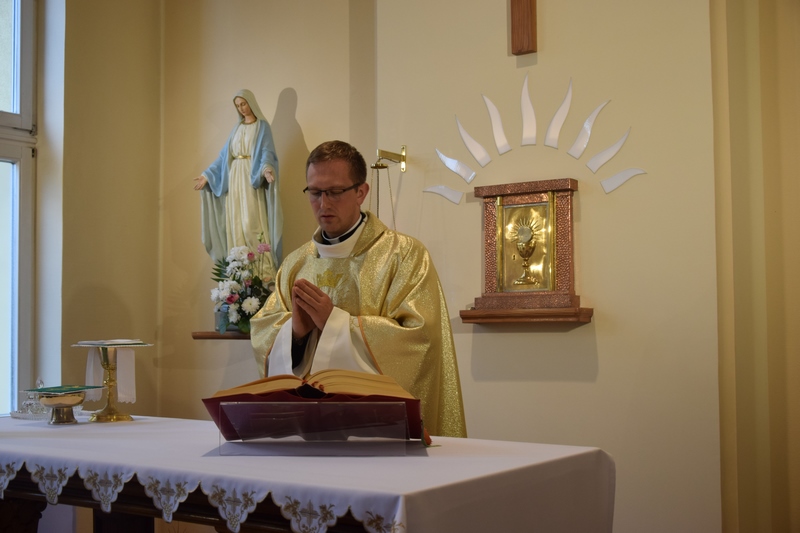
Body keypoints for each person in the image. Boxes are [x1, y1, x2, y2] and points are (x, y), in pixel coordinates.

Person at [250, 140, 467, 437]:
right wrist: (295, 333)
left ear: (361, 192)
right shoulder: (295, 264)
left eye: (335, 192)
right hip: (308, 431)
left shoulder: (404, 255)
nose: (323, 203)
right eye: (315, 192)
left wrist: (335, 324)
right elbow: (263, 331)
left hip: (377, 431)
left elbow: (421, 339)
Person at [193, 89, 283, 278]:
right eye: (237, 105)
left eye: (243, 103)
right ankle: (240, 270)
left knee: (251, 222)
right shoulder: (237, 128)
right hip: (234, 178)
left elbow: (267, 152)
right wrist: (207, 175)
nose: (241, 108)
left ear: (251, 103)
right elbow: (224, 157)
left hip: (251, 178)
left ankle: (262, 270)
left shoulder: (262, 127)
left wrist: (266, 169)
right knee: (235, 223)